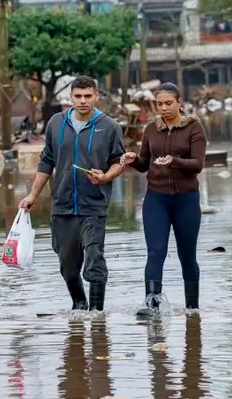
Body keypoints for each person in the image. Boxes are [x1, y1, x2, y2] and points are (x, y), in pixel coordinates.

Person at [19, 76, 125, 312]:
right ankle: (79, 304)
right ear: (71, 98)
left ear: (96, 96)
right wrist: (32, 196)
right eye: (78, 96)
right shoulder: (56, 123)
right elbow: (46, 161)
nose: (83, 101)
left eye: (88, 96)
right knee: (67, 265)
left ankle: (97, 314)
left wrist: (106, 177)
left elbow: (119, 162)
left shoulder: (110, 127)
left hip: (94, 206)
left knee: (94, 260)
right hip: (62, 205)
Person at [121, 82, 207, 315]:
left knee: (186, 254)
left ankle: (192, 308)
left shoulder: (194, 128)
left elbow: (197, 165)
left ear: (180, 102)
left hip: (185, 200)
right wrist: (132, 159)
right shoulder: (151, 129)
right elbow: (143, 164)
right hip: (156, 199)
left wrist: (174, 161)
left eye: (169, 103)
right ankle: (151, 302)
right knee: (155, 251)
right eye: (159, 104)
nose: (164, 108)